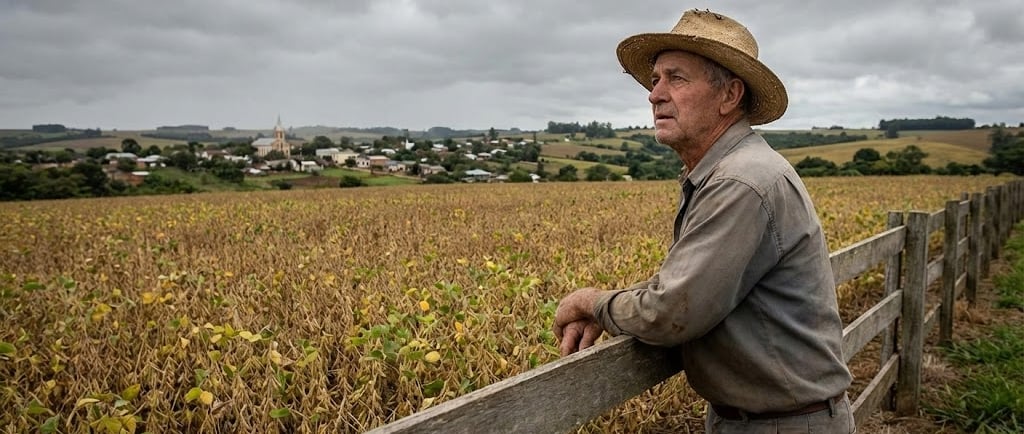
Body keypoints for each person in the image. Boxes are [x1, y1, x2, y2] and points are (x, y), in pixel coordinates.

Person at [552, 9, 855, 433]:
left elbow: (672, 311)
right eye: (655, 79)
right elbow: (686, 286)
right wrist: (615, 308)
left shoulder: (741, 182)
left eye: (676, 78)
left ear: (729, 96)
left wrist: (592, 303)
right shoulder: (731, 171)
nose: (655, 94)